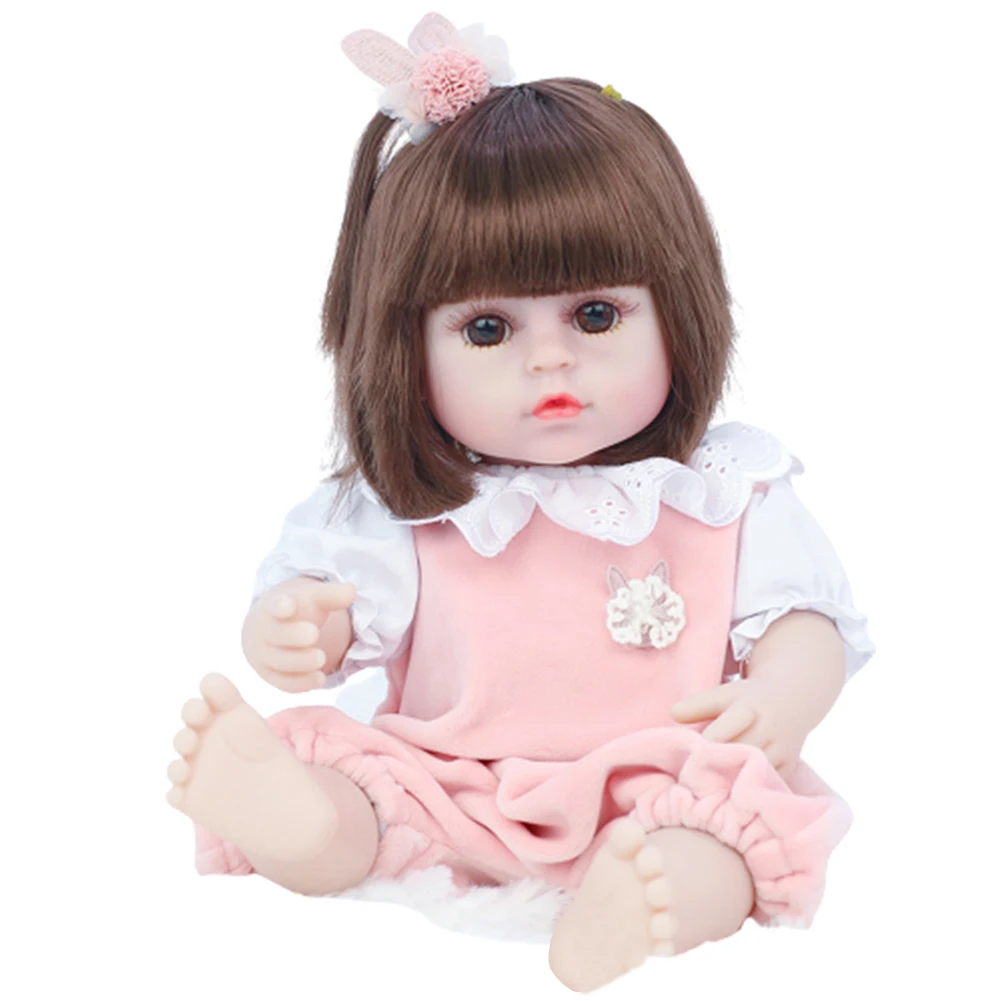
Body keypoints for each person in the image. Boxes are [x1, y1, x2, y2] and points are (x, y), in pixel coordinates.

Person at [166, 12, 874, 992]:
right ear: (405, 346)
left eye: (595, 314)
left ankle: (647, 898)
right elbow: (326, 617)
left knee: (729, 828)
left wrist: (778, 699)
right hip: (452, 776)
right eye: (488, 329)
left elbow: (804, 622)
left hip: (655, 778)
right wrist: (292, 628)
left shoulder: (722, 489)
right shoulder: (414, 508)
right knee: (369, 793)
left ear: (677, 309)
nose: (550, 360)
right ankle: (305, 825)